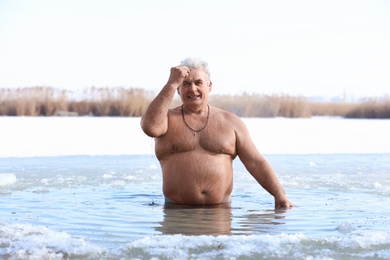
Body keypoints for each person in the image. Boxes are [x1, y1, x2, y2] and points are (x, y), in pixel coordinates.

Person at [141, 57, 292, 209]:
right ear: (178, 90)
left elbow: (255, 163)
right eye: (185, 84)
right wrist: (171, 83)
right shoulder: (165, 120)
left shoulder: (230, 122)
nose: (192, 89)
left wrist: (279, 194)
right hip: (177, 215)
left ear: (209, 86)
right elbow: (149, 127)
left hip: (220, 215)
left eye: (198, 83)